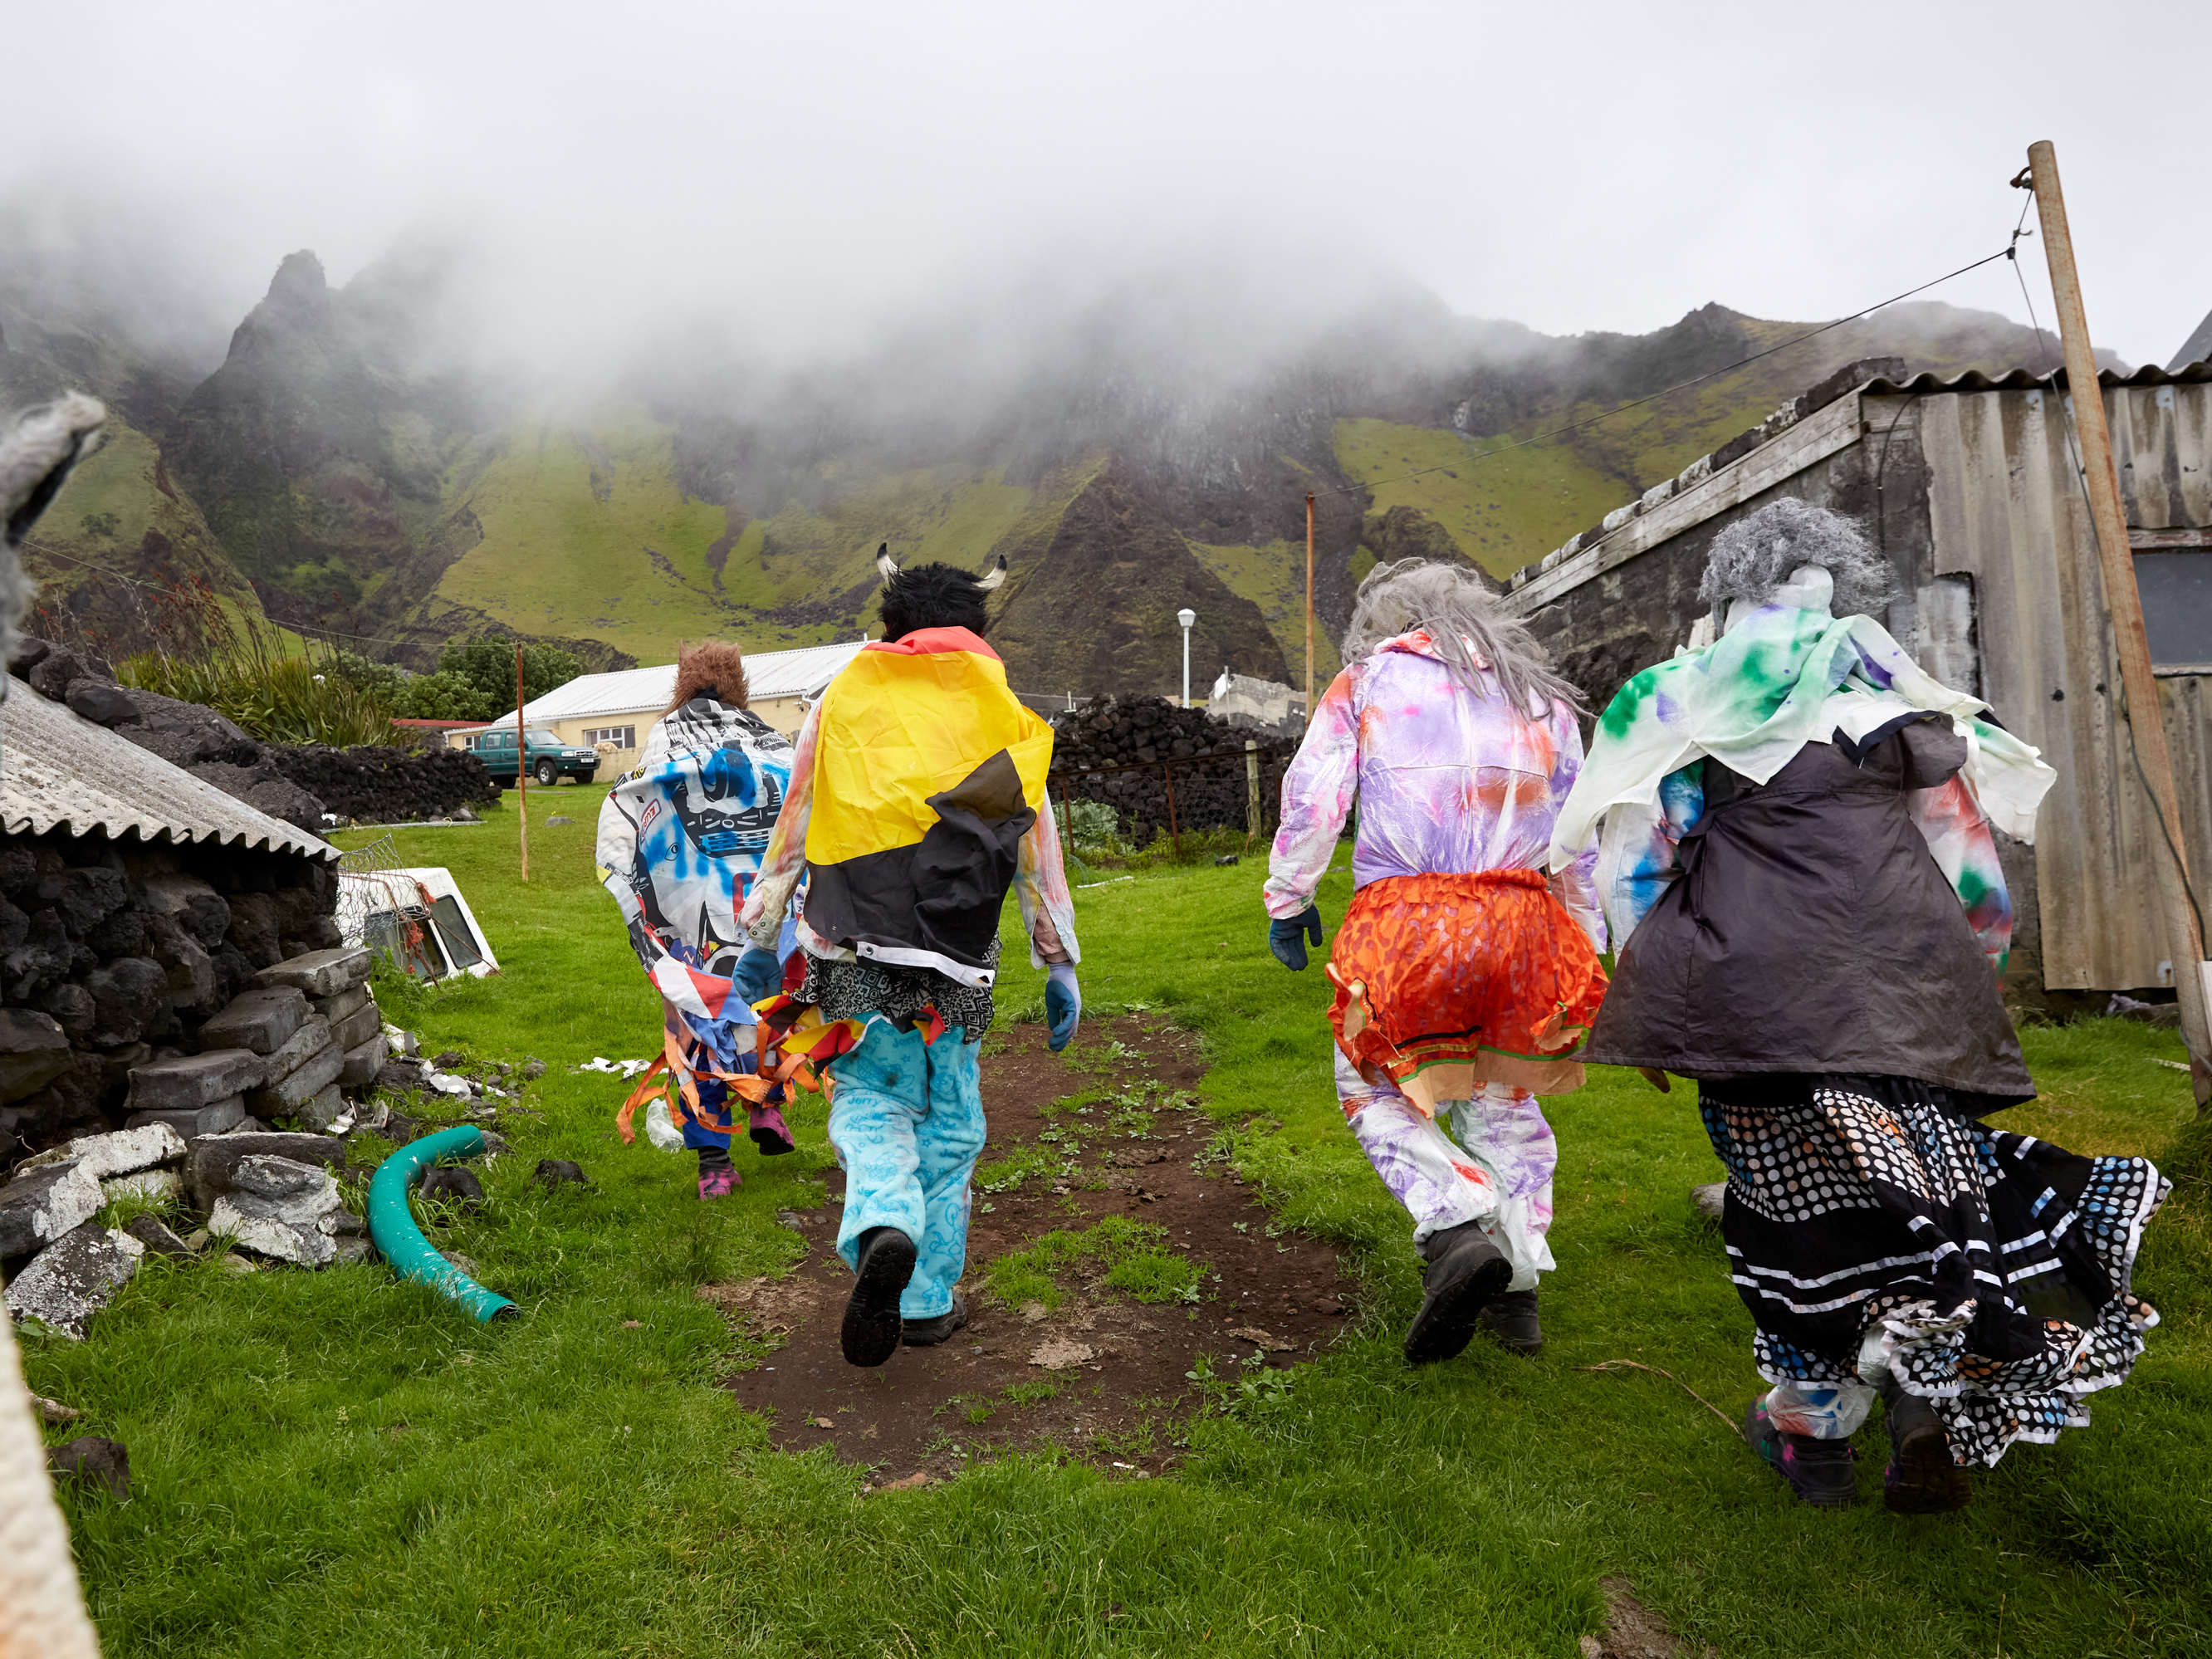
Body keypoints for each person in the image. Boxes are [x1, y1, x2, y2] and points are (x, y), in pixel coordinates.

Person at [1554, 497, 2163, 1514]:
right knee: (1914, 1187)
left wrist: (1650, 1001)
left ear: (1726, 591)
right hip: (1907, 991)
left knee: (1784, 1208)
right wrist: (1970, 979)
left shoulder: (1691, 705)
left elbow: (1635, 866)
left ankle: (1821, 1417)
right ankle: (1910, 1384)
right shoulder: (1892, 706)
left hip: (1753, 1003)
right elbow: (1974, 873)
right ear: (1843, 587)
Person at [740, 549, 1082, 1367]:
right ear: (976, 626)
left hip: (847, 942)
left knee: (867, 1097)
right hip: (954, 957)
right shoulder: (1000, 710)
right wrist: (1058, 957)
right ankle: (927, 1301)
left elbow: (796, 814)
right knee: (953, 1123)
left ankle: (882, 1221)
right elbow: (1034, 838)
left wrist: (759, 933)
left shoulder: (844, 696)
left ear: (893, 622)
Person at [1265, 558, 1608, 1364]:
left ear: (1393, 623)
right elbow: (1577, 830)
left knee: (1372, 1083)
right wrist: (1585, 939)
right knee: (1505, 1097)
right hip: (1525, 924)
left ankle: (1457, 1217)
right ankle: (1517, 1286)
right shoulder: (1542, 699)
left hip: (1411, 922)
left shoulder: (1369, 682)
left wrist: (1290, 897)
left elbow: (1312, 796)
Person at [596, 640, 800, 1199]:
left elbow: (634, 804)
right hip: (763, 906)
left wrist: (632, 885)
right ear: (738, 682)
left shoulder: (665, 738)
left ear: (682, 682)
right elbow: (801, 794)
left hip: (689, 912)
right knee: (768, 1006)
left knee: (696, 1020)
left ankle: (714, 1166)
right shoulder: (766, 738)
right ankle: (768, 1112)